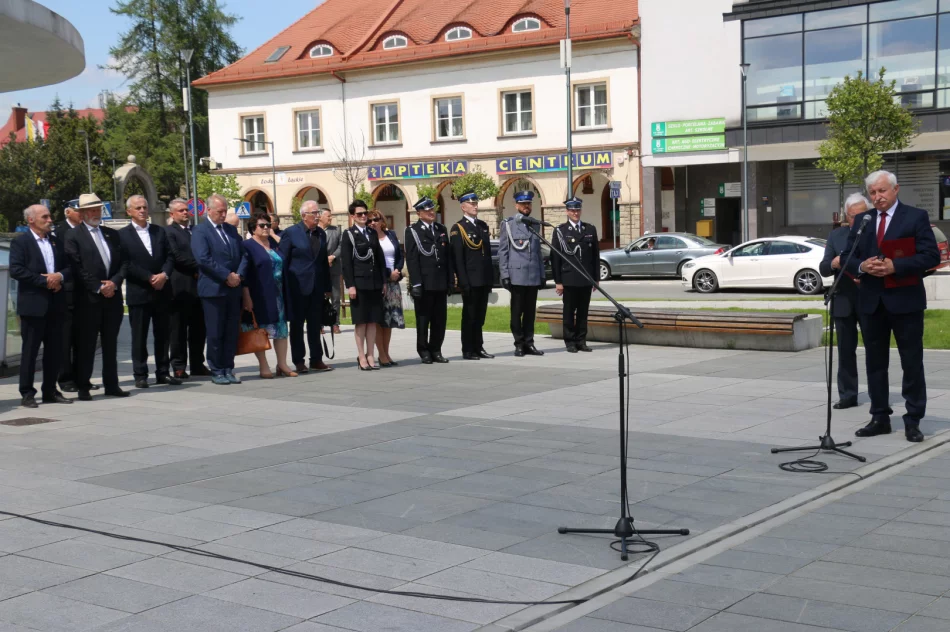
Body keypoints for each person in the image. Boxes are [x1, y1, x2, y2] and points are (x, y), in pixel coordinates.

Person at [845, 170, 940, 443]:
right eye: (873, 192)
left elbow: (930, 255)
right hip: (872, 302)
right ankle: (879, 417)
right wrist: (863, 266)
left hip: (905, 301)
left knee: (911, 362)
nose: (877, 197)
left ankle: (913, 420)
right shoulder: (864, 220)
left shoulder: (915, 216)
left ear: (895, 189)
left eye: (882, 191)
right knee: (875, 363)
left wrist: (894, 266)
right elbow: (848, 256)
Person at [64, 193, 128, 400]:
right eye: (92, 210)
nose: (96, 213)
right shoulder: (73, 236)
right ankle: (83, 385)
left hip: (112, 298)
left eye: (98, 209)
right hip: (89, 300)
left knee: (110, 344)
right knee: (86, 345)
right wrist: (98, 287)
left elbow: (123, 263)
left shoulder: (111, 234)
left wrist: (114, 282)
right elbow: (76, 266)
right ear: (82, 213)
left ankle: (112, 384)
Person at [10, 205, 72, 408]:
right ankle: (27, 392)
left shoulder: (56, 242)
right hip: (33, 305)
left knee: (55, 350)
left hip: (56, 304)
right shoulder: (21, 242)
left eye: (49, 216)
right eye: (44, 216)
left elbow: (70, 267)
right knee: (30, 351)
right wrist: (44, 281)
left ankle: (50, 390)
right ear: (31, 220)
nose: (50, 219)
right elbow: (17, 270)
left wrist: (59, 277)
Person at [118, 195, 181, 389]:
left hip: (162, 290)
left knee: (162, 334)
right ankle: (140, 374)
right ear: (129, 211)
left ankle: (163, 372)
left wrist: (164, 275)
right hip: (140, 291)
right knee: (139, 336)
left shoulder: (158, 231)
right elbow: (125, 263)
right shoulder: (122, 235)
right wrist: (149, 277)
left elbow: (171, 256)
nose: (143, 211)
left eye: (145, 207)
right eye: (138, 208)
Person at [193, 193, 248, 386]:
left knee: (231, 331)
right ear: (209, 211)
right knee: (216, 332)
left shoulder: (231, 231)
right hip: (213, 290)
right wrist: (227, 275)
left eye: (225, 211)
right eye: (219, 212)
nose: (223, 215)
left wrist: (238, 275)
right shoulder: (201, 231)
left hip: (233, 290)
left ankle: (228, 368)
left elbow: (244, 255)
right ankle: (216, 369)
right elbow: (203, 259)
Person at [819, 193, 868, 410]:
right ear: (847, 217)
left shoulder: (876, 235)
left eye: (863, 216)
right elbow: (823, 267)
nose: (858, 221)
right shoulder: (836, 236)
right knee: (845, 350)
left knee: (875, 351)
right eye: (853, 216)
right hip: (843, 299)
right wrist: (835, 263)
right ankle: (848, 395)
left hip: (870, 299)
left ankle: (879, 396)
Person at [278, 200, 333, 374]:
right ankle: (299, 360)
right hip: (297, 287)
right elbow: (283, 260)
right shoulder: (291, 233)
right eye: (314, 213)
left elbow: (323, 262)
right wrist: (284, 286)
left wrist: (327, 287)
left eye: (318, 213)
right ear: (304, 216)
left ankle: (316, 359)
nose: (318, 216)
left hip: (316, 287)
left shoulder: (321, 234)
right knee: (297, 325)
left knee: (315, 324)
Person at [242, 211, 296, 378]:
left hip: (278, 295)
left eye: (268, 225)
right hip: (259, 295)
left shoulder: (273, 243)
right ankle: (263, 366)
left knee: (281, 330)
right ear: (253, 228)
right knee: (261, 330)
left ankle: (282, 364)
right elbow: (243, 272)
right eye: (262, 225)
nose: (266, 228)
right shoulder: (247, 246)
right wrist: (246, 296)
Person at [165, 198, 210, 379]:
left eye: (186, 210)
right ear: (172, 214)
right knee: (178, 330)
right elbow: (176, 256)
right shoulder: (169, 232)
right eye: (181, 210)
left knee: (199, 329)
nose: (185, 213)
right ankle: (178, 365)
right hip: (180, 288)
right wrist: (201, 267)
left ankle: (198, 364)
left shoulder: (196, 231)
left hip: (199, 288)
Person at [406, 197, 452, 364]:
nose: (432, 213)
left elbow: (447, 257)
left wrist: (450, 281)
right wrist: (416, 283)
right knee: (423, 319)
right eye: (427, 211)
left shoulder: (441, 229)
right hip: (424, 283)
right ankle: (424, 350)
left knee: (440, 319)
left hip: (439, 282)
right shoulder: (412, 231)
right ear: (419, 214)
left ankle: (436, 349)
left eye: (432, 209)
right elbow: (412, 259)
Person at [498, 190, 544, 357]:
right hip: (516, 275)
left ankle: (529, 343)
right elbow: (503, 251)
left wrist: (542, 274)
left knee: (530, 313)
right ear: (516, 205)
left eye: (529, 204)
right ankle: (518, 343)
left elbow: (537, 251)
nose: (526, 206)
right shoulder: (508, 224)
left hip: (532, 275)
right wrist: (505, 274)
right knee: (517, 313)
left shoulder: (535, 224)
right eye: (523, 204)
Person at [341, 200, 385, 370]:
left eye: (365, 213)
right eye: (359, 214)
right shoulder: (349, 234)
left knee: (373, 321)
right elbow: (346, 263)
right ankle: (361, 356)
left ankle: (371, 354)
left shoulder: (372, 232)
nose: (363, 216)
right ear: (352, 216)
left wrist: (382, 281)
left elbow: (379, 258)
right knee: (361, 321)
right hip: (359, 283)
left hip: (374, 282)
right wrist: (350, 285)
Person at [450, 191, 494, 360]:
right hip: (470, 279)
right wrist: (463, 281)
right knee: (469, 316)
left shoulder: (482, 226)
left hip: (483, 278)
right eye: (471, 204)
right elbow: (458, 259)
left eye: (476, 203)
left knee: (480, 316)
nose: (475, 206)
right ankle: (468, 349)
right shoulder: (458, 228)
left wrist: (489, 278)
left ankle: (478, 346)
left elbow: (487, 255)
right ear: (463, 207)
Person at [552, 197, 599, 353]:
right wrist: (558, 281)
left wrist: (596, 279)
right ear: (567, 211)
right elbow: (556, 258)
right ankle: (570, 341)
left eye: (577, 210)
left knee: (583, 312)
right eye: (572, 210)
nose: (575, 213)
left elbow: (595, 256)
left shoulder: (590, 229)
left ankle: (581, 341)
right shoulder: (560, 231)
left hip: (586, 279)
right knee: (569, 312)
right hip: (569, 279)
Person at [53, 201, 87, 393]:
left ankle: (82, 377)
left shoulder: (86, 230)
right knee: (65, 339)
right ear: (68, 212)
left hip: (85, 291)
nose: (81, 214)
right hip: (67, 291)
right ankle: (65, 378)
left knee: (82, 338)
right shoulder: (60, 232)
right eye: (78, 210)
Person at [369, 210, 404, 366]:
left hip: (393, 282)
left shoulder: (390, 234)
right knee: (379, 320)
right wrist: (388, 273)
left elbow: (399, 255)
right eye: (369, 221)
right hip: (379, 281)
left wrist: (397, 270)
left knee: (389, 321)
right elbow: (374, 261)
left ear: (382, 220)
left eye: (376, 219)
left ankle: (387, 353)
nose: (373, 223)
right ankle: (381, 354)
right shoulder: (369, 238)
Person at [319, 208, 343, 335]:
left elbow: (341, 246)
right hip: (319, 271)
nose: (330, 218)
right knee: (319, 298)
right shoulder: (315, 231)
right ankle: (319, 324)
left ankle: (335, 323)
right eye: (328, 216)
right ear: (321, 216)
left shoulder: (336, 230)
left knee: (335, 297)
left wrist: (332, 256)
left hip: (333, 268)